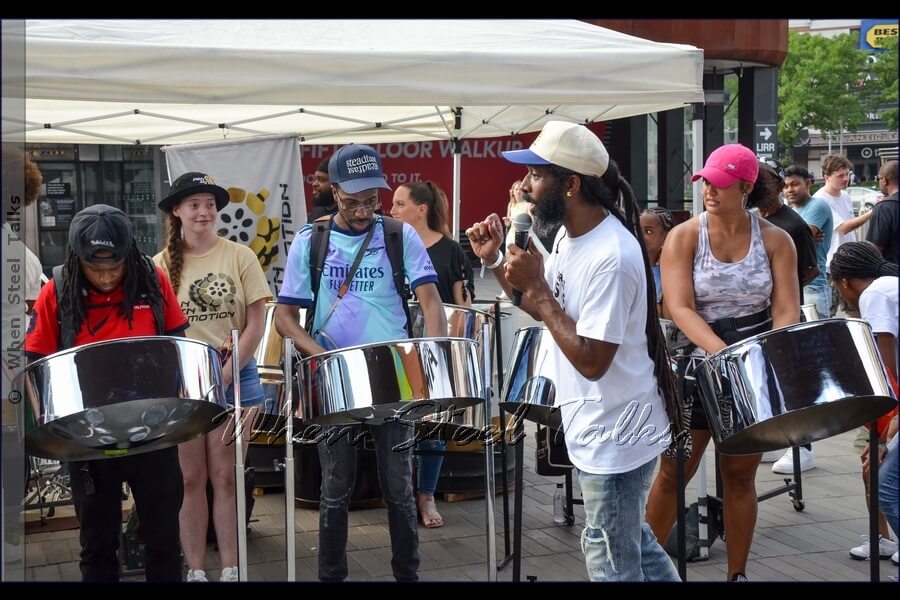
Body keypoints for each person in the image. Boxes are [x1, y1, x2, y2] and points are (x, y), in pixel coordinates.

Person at [467, 121, 682, 582]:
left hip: (617, 431)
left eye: (536, 175)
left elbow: (592, 360)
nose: (524, 186)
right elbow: (539, 306)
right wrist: (496, 263)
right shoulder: (568, 235)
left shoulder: (613, 255)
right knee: (636, 547)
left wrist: (541, 290)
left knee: (610, 560)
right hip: (597, 423)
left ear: (571, 184)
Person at [275, 143, 447, 582]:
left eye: (371, 200)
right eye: (353, 202)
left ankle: (407, 575)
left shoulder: (398, 235)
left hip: (393, 375)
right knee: (335, 488)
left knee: (399, 488)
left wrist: (430, 357)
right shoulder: (311, 241)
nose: (363, 211)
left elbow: (432, 304)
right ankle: (331, 576)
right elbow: (285, 320)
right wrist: (323, 356)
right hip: (336, 376)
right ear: (334, 192)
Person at [645, 143, 800, 582]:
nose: (710, 189)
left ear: (746, 187)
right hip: (698, 364)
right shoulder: (685, 236)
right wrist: (719, 350)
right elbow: (680, 307)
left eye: (721, 182)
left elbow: (787, 307)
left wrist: (760, 354)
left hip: (752, 364)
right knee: (675, 470)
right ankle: (642, 568)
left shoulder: (775, 239)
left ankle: (737, 573)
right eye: (706, 180)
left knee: (739, 474)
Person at [25, 204, 189, 582]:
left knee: (164, 539)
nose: (105, 276)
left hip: (153, 432)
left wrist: (178, 411)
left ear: (128, 255)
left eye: (114, 268)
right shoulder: (58, 291)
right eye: (95, 268)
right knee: (97, 546)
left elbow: (176, 344)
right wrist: (53, 430)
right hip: (90, 440)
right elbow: (36, 363)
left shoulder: (152, 281)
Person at [154, 172, 272, 582]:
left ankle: (231, 567)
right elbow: (157, 334)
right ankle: (196, 570)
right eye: (194, 205)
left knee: (225, 477)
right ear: (177, 211)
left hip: (235, 375)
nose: (204, 212)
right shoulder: (159, 265)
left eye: (209, 204)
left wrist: (224, 373)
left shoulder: (241, 255)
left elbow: (256, 324)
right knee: (191, 478)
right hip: (185, 382)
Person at [390, 180, 475, 529]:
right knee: (397, 423)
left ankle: (426, 494)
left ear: (420, 210)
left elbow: (464, 306)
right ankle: (399, 494)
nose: (391, 211)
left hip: (435, 347)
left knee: (433, 425)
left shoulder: (451, 250)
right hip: (398, 345)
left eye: (399, 204)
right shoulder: (390, 245)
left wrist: (449, 351)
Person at [829, 242, 899, 563]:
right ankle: (881, 538)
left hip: (892, 401)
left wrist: (884, 432)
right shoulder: (888, 286)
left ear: (844, 283)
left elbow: (886, 375)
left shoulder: (874, 295)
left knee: (881, 474)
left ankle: (884, 538)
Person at [755, 159, 820, 473]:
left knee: (793, 382)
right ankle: (777, 440)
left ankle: (803, 447)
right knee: (768, 382)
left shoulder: (792, 223)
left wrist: (783, 292)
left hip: (787, 315)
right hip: (760, 315)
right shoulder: (753, 220)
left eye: (765, 181)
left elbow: (810, 270)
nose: (759, 187)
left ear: (779, 186)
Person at [784, 165, 833, 321]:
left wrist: (796, 238)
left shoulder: (817, 205)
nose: (789, 190)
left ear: (808, 183)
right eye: (785, 186)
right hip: (793, 284)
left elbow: (796, 241)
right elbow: (794, 241)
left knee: (819, 340)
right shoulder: (790, 212)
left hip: (812, 285)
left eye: (795, 184)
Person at [640, 207, 675, 318]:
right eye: (637, 229)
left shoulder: (670, 272)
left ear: (666, 236)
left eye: (648, 231)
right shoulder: (630, 267)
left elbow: (667, 316)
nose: (640, 236)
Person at [866, 160, 898, 264]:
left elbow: (874, 250)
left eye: (878, 178)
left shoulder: (884, 208)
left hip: (892, 273)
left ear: (884, 180)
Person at [308, 156, 338, 221]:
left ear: (336, 184)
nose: (314, 184)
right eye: (315, 179)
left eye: (321, 180)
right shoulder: (316, 211)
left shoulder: (345, 216)